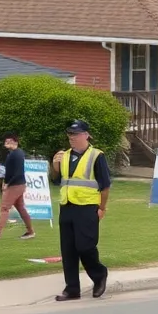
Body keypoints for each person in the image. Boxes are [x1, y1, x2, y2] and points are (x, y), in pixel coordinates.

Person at [50, 120, 110, 300]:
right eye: (70, 135)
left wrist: (102, 208)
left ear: (86, 135)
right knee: (68, 250)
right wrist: (55, 167)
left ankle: (99, 275)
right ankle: (72, 289)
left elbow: (105, 186)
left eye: (75, 135)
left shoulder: (96, 156)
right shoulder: (64, 155)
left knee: (85, 247)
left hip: (87, 207)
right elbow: (57, 180)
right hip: (67, 206)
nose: (72, 138)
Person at [0, 132, 35, 240]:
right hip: (18, 184)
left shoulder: (17, 154)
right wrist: (5, 181)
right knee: (21, 208)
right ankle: (30, 231)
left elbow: (18, 172)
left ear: (16, 142)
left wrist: (8, 184)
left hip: (15, 185)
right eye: (6, 141)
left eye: (10, 141)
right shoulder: (12, 154)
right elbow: (10, 171)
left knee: (4, 208)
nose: (7, 143)